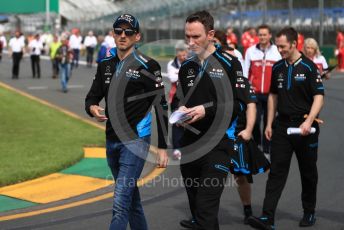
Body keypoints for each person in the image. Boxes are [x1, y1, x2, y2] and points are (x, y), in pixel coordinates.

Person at [85, 14, 168, 230]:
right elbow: (92, 97)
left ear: (137, 36)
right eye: (118, 31)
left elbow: (161, 106)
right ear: (113, 34)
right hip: (111, 139)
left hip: (135, 141)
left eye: (128, 32)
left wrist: (163, 148)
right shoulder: (105, 64)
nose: (123, 35)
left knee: (120, 203)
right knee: (132, 202)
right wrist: (93, 108)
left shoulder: (149, 66)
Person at [176, 11, 257, 230]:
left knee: (205, 206)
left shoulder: (230, 63)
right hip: (190, 144)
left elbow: (240, 104)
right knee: (198, 210)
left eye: (196, 37)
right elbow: (177, 100)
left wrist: (206, 109)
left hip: (219, 144)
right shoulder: (186, 66)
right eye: (187, 36)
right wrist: (179, 112)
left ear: (210, 34)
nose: (190, 42)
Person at [247, 27, 325, 230]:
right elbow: (273, 96)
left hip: (306, 127)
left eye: (283, 46)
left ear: (294, 44)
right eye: (278, 46)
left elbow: (319, 96)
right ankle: (267, 217)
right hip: (282, 126)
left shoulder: (309, 67)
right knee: (276, 172)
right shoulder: (278, 67)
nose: (279, 50)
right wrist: (270, 123)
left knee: (308, 173)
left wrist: (309, 122)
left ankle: (309, 212)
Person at [212, 29, 270, 225]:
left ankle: (247, 211)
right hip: (215, 136)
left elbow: (252, 105)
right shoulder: (211, 82)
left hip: (237, 135)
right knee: (212, 177)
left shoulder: (243, 83)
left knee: (241, 176)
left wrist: (248, 130)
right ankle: (205, 215)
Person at [244, 24, 282, 157]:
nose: (262, 37)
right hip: (254, 93)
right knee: (253, 122)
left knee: (269, 122)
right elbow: (245, 72)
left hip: (271, 94)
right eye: (260, 34)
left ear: (270, 35)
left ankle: (267, 149)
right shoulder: (250, 51)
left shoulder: (277, 51)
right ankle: (257, 144)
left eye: (265, 34)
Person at [167, 40, 188, 160]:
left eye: (184, 52)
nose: (182, 55)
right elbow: (172, 77)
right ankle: (177, 148)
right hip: (176, 97)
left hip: (190, 96)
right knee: (177, 123)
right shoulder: (172, 64)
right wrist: (183, 75)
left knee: (190, 120)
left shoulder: (190, 62)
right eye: (180, 52)